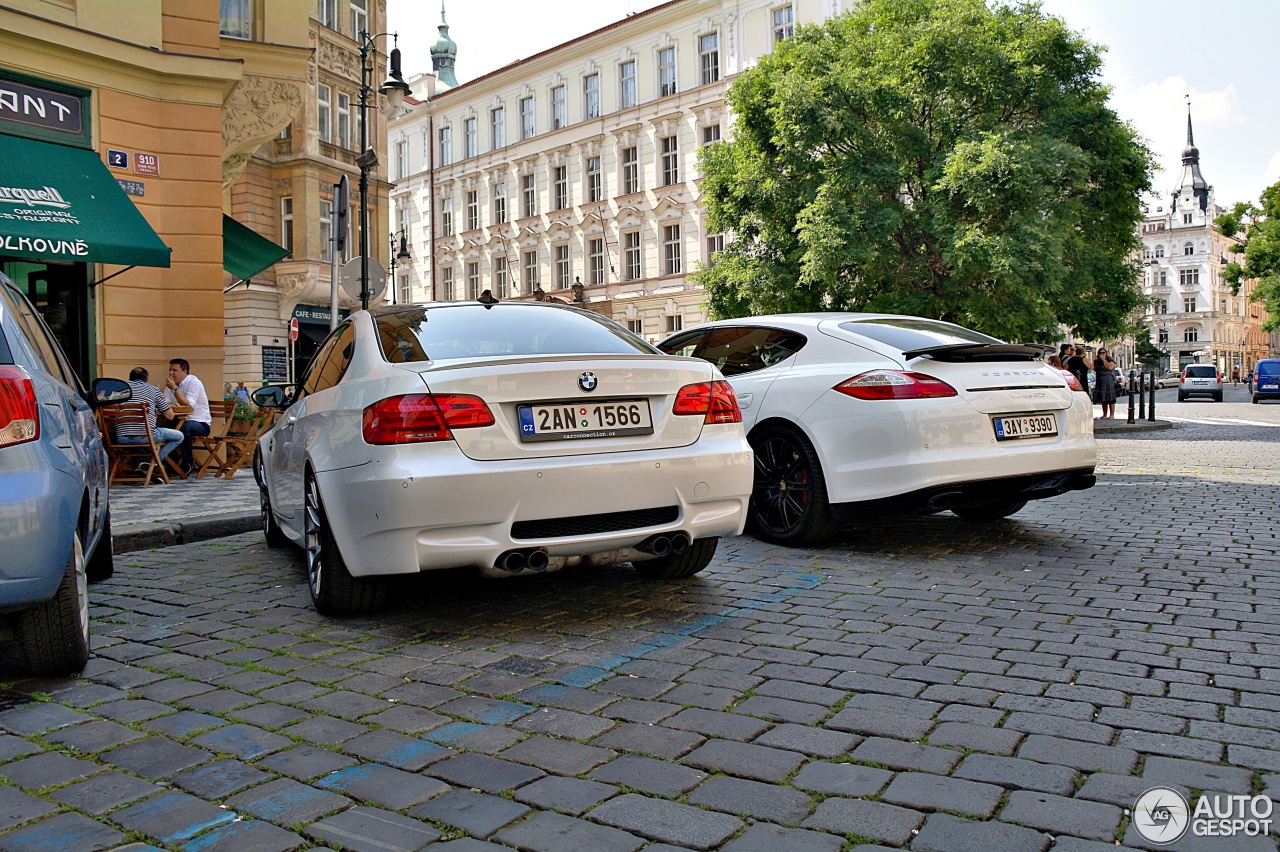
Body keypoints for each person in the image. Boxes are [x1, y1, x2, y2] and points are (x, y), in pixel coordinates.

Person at [116, 367, 184, 474]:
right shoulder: (153, 390)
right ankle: (154, 462)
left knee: (139, 440)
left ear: (129, 378)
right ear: (147, 379)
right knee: (179, 436)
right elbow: (170, 416)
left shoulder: (119, 390)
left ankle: (142, 464)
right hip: (145, 437)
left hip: (121, 438)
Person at [165, 358, 212, 477]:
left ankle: (188, 462)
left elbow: (189, 405)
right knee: (163, 427)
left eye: (174, 370)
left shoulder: (194, 383)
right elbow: (165, 403)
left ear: (184, 371)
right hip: (178, 420)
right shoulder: (170, 383)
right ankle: (170, 461)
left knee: (183, 427)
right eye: (170, 370)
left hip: (200, 423)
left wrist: (174, 389)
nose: (171, 373)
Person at [1092, 347, 1118, 419]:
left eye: (1103, 352)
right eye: (1100, 353)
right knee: (1103, 397)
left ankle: (1112, 414)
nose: (1102, 354)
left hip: (1108, 379)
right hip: (1100, 379)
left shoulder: (1110, 359)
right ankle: (1104, 414)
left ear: (1106, 353)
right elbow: (1094, 368)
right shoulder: (1097, 361)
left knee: (1110, 397)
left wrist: (1104, 360)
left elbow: (1109, 367)